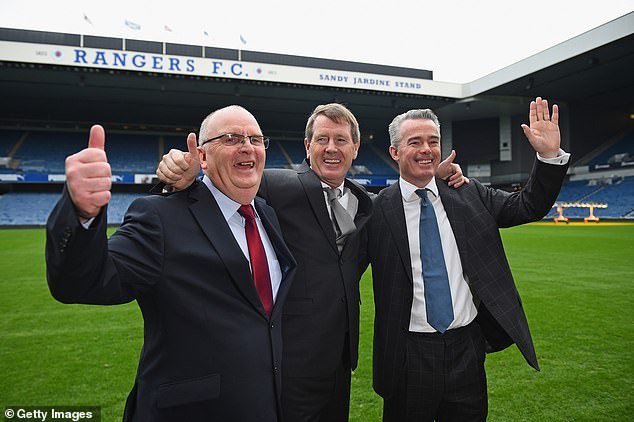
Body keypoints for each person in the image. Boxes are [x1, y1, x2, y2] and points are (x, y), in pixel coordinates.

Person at [155, 103, 467, 421]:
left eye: (341, 140)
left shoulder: (366, 202)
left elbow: (405, 200)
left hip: (340, 360)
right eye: (322, 139)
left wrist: (434, 178)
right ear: (308, 146)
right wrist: (181, 174)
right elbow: (223, 181)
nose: (331, 148)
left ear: (356, 148)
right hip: (290, 360)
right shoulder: (275, 185)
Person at [45, 105, 297, 422]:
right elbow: (84, 282)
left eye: (256, 139)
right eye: (232, 138)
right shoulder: (161, 217)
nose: (247, 146)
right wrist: (80, 212)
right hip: (192, 411)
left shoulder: (267, 214)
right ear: (202, 157)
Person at [362, 97, 569, 421]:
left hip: (466, 350)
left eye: (433, 142)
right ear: (394, 152)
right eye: (414, 142)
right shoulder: (376, 210)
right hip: (407, 355)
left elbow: (528, 204)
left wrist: (547, 155)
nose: (426, 150)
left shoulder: (467, 193)